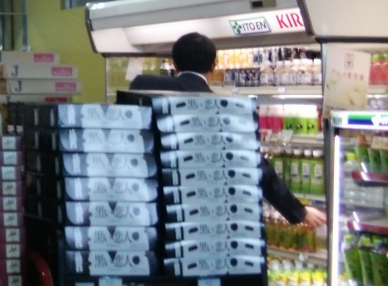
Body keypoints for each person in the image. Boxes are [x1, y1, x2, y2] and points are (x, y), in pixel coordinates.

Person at [130, 32, 327, 229]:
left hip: (146, 211)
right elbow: (256, 166)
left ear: (174, 63)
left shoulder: (144, 86)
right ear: (214, 65)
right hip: (200, 216)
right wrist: (299, 211)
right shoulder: (227, 109)